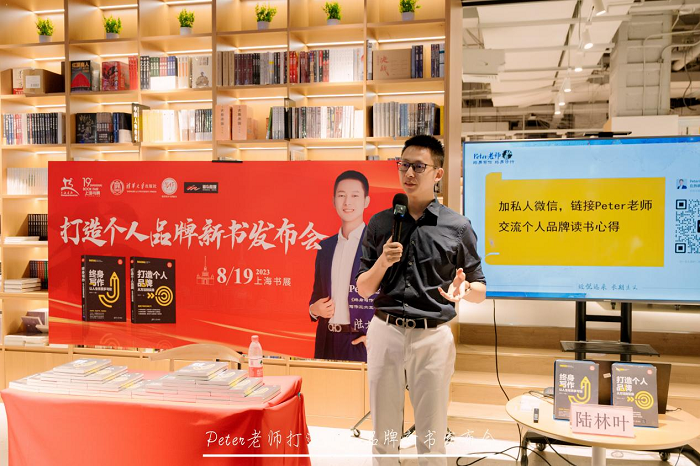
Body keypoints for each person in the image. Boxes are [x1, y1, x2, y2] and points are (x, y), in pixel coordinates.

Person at [357, 135, 487, 466]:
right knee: (384, 435)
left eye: (418, 166)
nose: (409, 174)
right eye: (404, 165)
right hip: (385, 331)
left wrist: (465, 291)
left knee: (431, 436)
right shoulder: (381, 222)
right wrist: (382, 263)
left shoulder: (457, 226)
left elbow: (480, 288)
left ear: (438, 173)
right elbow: (363, 289)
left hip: (432, 336)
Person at [309, 170, 376, 361]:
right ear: (334, 201)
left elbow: (391, 297)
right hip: (326, 339)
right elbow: (317, 294)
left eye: (354, 196)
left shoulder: (377, 246)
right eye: (341, 195)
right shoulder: (325, 247)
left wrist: (378, 336)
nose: (347, 202)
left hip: (359, 341)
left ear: (366, 201)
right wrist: (313, 309)